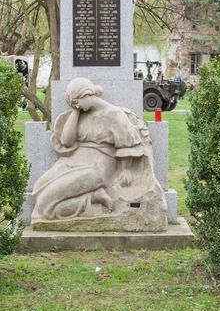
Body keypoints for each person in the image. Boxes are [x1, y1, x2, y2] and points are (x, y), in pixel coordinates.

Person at [31, 77, 159, 222]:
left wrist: (125, 168)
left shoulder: (114, 114)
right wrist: (75, 112)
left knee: (44, 206)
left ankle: (94, 197)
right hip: (72, 161)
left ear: (86, 94)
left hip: (97, 168)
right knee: (38, 190)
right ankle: (94, 196)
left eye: (76, 102)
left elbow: (128, 143)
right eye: (73, 104)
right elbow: (67, 141)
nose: (76, 106)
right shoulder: (80, 113)